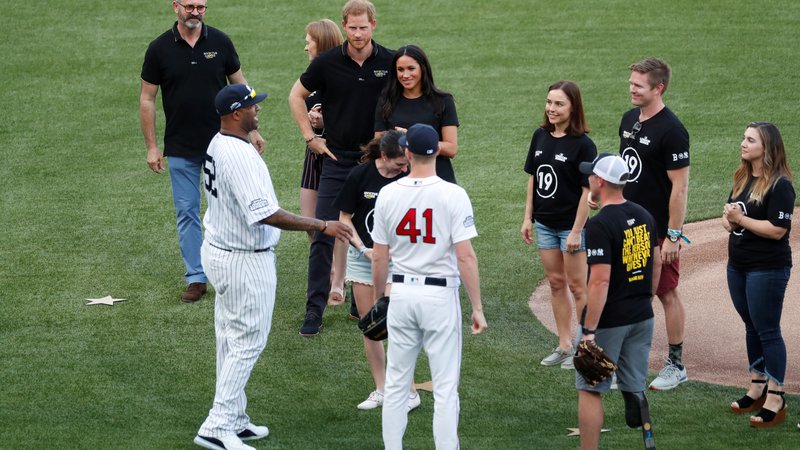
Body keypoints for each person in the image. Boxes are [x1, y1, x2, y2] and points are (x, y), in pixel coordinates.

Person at [194, 84, 352, 450]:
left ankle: (233, 417)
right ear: (236, 114)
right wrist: (319, 224)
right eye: (252, 106)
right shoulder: (241, 156)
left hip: (220, 251)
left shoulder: (218, 143)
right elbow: (265, 213)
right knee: (248, 341)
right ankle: (217, 425)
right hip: (244, 260)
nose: (257, 110)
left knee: (229, 339)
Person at [371, 123, 488, 449]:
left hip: (402, 293)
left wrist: (382, 297)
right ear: (436, 150)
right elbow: (465, 257)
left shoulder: (388, 194)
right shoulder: (453, 194)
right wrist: (477, 307)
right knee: (446, 386)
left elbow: (380, 258)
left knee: (395, 384)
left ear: (406, 153)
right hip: (440, 295)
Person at [140, 0, 264, 303]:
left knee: (228, 208)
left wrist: (253, 129)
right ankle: (196, 277)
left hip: (223, 144)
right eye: (190, 6)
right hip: (180, 145)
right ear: (175, 7)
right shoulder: (159, 49)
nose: (195, 11)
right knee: (187, 213)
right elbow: (147, 98)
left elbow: (241, 87)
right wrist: (153, 146)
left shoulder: (220, 42)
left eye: (201, 6)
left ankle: (229, 269)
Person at [288, 0, 393, 336]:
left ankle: (364, 301)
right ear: (343, 26)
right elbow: (295, 95)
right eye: (352, 28)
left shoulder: (390, 62)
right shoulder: (327, 63)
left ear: (373, 25)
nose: (358, 34)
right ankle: (314, 309)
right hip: (335, 160)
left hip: (374, 163)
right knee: (323, 230)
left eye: (364, 27)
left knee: (376, 230)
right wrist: (310, 137)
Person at [576, 153, 661, 450]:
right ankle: (648, 443)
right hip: (642, 315)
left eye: (591, 175)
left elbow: (599, 281)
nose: (588, 179)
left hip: (609, 320)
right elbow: (657, 262)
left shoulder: (599, 225)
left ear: (600, 181)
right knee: (636, 386)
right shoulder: (644, 215)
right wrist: (645, 298)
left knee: (590, 389)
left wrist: (589, 331)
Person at [616, 57, 690, 390]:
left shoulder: (672, 131)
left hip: (659, 229)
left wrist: (672, 235)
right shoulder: (630, 119)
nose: (631, 89)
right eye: (631, 82)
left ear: (658, 88)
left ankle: (676, 364)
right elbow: (626, 167)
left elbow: (680, 186)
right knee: (632, 292)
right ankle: (627, 365)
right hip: (630, 225)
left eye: (638, 85)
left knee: (666, 292)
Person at [332, 130, 419, 411]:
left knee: (395, 323)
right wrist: (362, 249)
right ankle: (382, 389)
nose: (403, 168)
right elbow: (345, 219)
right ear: (383, 156)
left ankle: (409, 391)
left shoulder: (409, 179)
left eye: (406, 164)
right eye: (399, 164)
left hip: (399, 260)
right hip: (363, 259)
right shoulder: (360, 176)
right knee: (371, 328)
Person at [723, 122, 794, 428]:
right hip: (738, 264)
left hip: (767, 267)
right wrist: (731, 220)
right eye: (743, 138)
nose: (743, 143)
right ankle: (757, 385)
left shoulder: (780, 185)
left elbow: (777, 230)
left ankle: (776, 397)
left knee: (767, 330)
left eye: (750, 140)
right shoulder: (743, 178)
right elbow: (733, 218)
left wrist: (740, 219)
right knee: (751, 325)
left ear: (766, 147)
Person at [521, 80, 596, 369]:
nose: (551, 108)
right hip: (545, 225)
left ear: (573, 107)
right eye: (549, 102)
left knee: (578, 286)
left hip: (570, 227)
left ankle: (587, 347)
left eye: (559, 104)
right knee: (555, 283)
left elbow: (587, 191)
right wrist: (528, 217)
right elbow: (533, 178)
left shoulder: (584, 145)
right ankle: (565, 344)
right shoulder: (540, 136)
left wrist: (577, 231)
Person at [298, 19, 349, 308]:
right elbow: (299, 106)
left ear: (322, 43)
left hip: (338, 157)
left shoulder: (341, 76)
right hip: (314, 157)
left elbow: (350, 119)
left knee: (338, 222)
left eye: (309, 40)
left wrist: (326, 121)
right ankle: (328, 269)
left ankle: (339, 282)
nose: (306, 45)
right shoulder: (310, 76)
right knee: (310, 220)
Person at [374, 45, 459, 183]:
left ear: (423, 68)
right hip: (398, 180)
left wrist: (412, 138)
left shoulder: (443, 101)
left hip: (437, 178)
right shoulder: (386, 100)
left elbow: (451, 148)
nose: (405, 75)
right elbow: (379, 143)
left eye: (411, 68)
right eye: (400, 70)